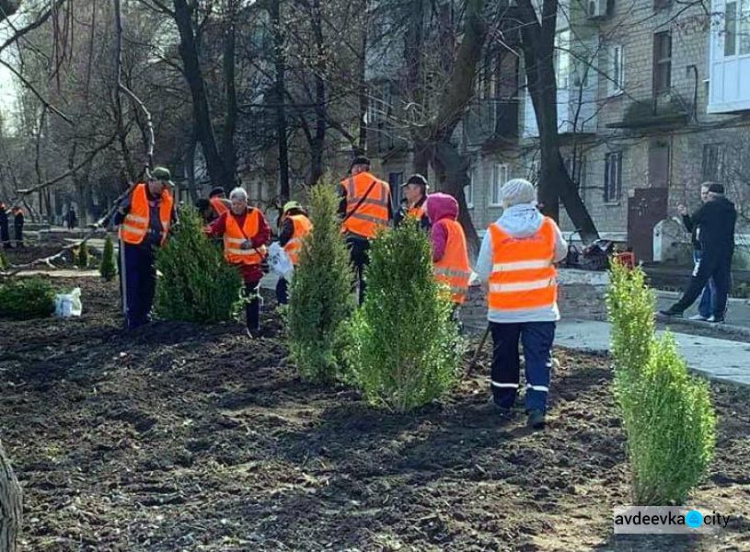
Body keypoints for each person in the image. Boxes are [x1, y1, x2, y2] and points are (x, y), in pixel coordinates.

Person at [476, 179, 568, 430]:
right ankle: (537, 407)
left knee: (504, 356)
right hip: (541, 309)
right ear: (531, 199)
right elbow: (560, 253)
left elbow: (483, 271)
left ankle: (503, 401)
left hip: (504, 310)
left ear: (506, 201)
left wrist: (489, 288)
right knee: (538, 358)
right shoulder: (548, 226)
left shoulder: (495, 231)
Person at [659, 183, 736, 323]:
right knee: (721, 284)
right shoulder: (731, 209)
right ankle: (718, 314)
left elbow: (695, 218)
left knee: (697, 282)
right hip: (725, 252)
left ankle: (677, 309)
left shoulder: (709, 207)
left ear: (711, 195)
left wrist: (687, 215)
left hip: (709, 252)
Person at [114, 166, 176, 330]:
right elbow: (116, 218)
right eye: (162, 184)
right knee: (132, 282)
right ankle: (132, 317)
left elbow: (173, 222)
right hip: (131, 246)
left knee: (149, 282)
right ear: (152, 181)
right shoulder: (135, 192)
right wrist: (121, 212)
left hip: (152, 248)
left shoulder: (167, 200)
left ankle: (145, 314)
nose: (165, 188)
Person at [207, 186, 271, 338]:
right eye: (234, 203)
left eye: (239, 203)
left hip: (252, 263)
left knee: (252, 295)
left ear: (245, 202)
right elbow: (213, 230)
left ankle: (253, 327)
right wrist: (199, 231)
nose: (236, 206)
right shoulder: (226, 216)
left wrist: (253, 242)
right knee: (232, 294)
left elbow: (266, 233)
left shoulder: (256, 214)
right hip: (233, 264)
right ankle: (234, 327)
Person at [338, 156, 392, 305]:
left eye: (353, 170)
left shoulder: (347, 185)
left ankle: (347, 313)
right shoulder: (384, 187)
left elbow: (338, 214)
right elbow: (389, 215)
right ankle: (365, 313)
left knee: (347, 280)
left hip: (352, 239)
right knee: (368, 281)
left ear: (358, 168)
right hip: (375, 242)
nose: (352, 174)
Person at [425, 192, 471, 309]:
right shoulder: (456, 226)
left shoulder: (439, 226)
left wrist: (423, 254)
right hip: (460, 285)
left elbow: (436, 254)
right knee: (452, 319)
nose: (426, 212)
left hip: (443, 284)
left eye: (428, 207)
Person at [679, 182, 715, 321]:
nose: (704, 196)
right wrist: (685, 216)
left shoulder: (713, 211)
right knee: (704, 282)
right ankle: (705, 311)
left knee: (706, 282)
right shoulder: (702, 210)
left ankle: (708, 311)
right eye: (703, 193)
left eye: (707, 193)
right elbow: (692, 229)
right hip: (698, 250)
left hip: (707, 251)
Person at [276, 200, 313, 305]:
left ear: (287, 212)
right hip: (305, 259)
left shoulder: (291, 220)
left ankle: (283, 307)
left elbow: (283, 238)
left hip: (292, 260)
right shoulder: (307, 221)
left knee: (283, 286)